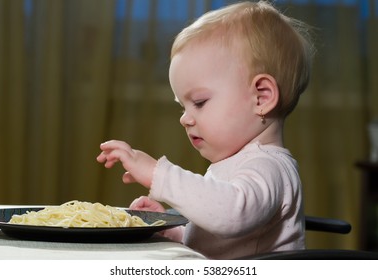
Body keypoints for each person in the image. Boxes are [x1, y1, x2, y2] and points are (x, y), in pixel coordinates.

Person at [97, 0, 314, 259]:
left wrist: (158, 175)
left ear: (261, 97)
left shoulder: (268, 166)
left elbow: (232, 215)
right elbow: (217, 242)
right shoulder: (234, 164)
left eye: (199, 102)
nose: (185, 119)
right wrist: (171, 230)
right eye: (183, 107)